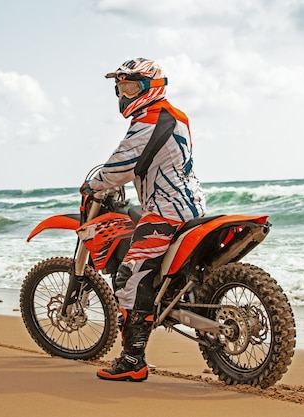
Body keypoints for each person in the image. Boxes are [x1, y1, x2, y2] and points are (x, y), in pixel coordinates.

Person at [81, 57, 206, 382]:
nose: (124, 92)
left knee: (128, 278)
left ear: (152, 87)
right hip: (191, 204)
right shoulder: (176, 115)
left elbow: (122, 166)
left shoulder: (150, 120)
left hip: (167, 210)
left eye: (132, 85)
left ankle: (132, 360)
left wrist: (93, 184)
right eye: (121, 86)